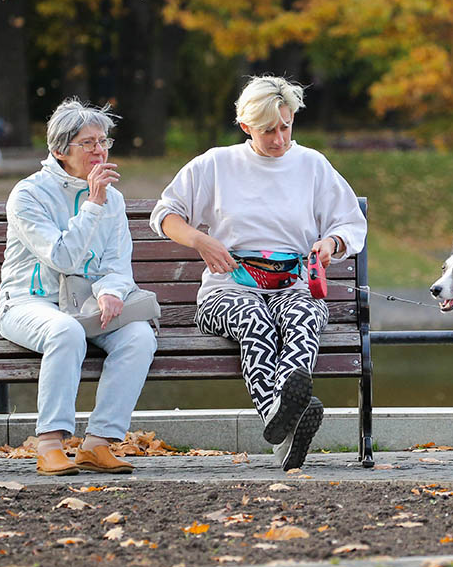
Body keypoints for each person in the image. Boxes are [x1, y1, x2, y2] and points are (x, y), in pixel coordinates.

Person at [151, 75, 366, 471]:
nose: (280, 139)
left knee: (302, 318)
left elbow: (349, 225)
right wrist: (201, 241)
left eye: (286, 126)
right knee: (255, 320)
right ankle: (281, 419)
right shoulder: (215, 164)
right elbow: (165, 215)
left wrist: (330, 245)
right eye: (269, 130)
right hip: (227, 290)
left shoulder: (312, 165)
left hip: (293, 285)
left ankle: (280, 427)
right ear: (246, 125)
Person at [0, 98, 157, 476]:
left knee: (139, 336)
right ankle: (50, 444)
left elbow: (118, 261)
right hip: (28, 303)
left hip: (84, 305)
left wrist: (111, 291)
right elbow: (62, 257)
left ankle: (98, 444)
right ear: (59, 150)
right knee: (64, 331)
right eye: (88, 143)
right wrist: (94, 204)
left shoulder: (111, 198)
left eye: (103, 142)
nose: (99, 151)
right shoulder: (28, 195)